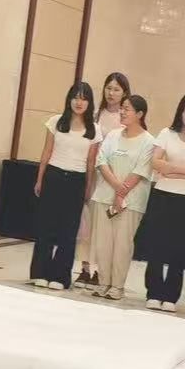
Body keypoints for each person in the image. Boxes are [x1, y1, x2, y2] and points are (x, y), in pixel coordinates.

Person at [140, 93, 185, 311]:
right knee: (157, 245)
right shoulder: (166, 133)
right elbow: (155, 162)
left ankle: (171, 296)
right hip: (163, 194)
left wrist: (169, 169)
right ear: (180, 112)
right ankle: (154, 292)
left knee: (179, 248)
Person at [30, 82, 98, 291]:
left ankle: (60, 276)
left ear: (90, 103)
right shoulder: (56, 122)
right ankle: (40, 272)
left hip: (77, 180)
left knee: (68, 231)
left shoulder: (94, 130)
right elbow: (46, 152)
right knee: (46, 226)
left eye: (84, 98)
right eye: (76, 97)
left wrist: (88, 187)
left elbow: (91, 163)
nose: (79, 102)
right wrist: (40, 179)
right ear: (69, 99)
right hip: (53, 176)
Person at [87, 94, 155, 301]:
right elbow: (101, 161)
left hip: (131, 201)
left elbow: (141, 170)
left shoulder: (149, 141)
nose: (122, 112)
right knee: (103, 243)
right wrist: (117, 187)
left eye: (127, 109)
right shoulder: (113, 135)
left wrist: (122, 192)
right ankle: (103, 282)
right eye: (122, 108)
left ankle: (117, 286)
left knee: (122, 244)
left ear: (140, 114)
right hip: (105, 196)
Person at [76, 71, 130, 290]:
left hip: (114, 177)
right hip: (94, 174)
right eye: (109, 88)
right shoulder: (95, 115)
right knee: (86, 224)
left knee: (105, 226)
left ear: (124, 93)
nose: (111, 93)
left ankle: (100, 270)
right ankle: (85, 268)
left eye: (116, 89)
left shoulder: (126, 118)